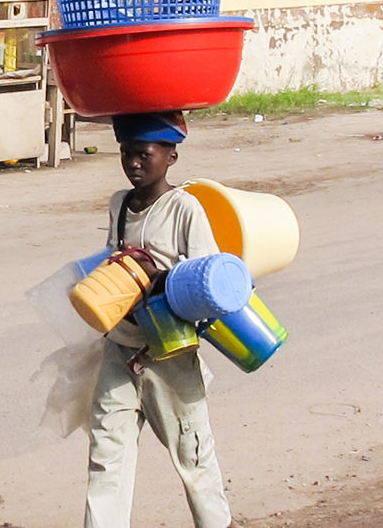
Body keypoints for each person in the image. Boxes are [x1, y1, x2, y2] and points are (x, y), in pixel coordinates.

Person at [84, 111, 236, 528]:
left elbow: (209, 285)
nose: (133, 163)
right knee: (106, 456)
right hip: (120, 349)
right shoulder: (119, 204)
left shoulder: (185, 209)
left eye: (144, 154)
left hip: (170, 355)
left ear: (171, 156)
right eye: (126, 153)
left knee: (194, 457)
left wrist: (160, 278)